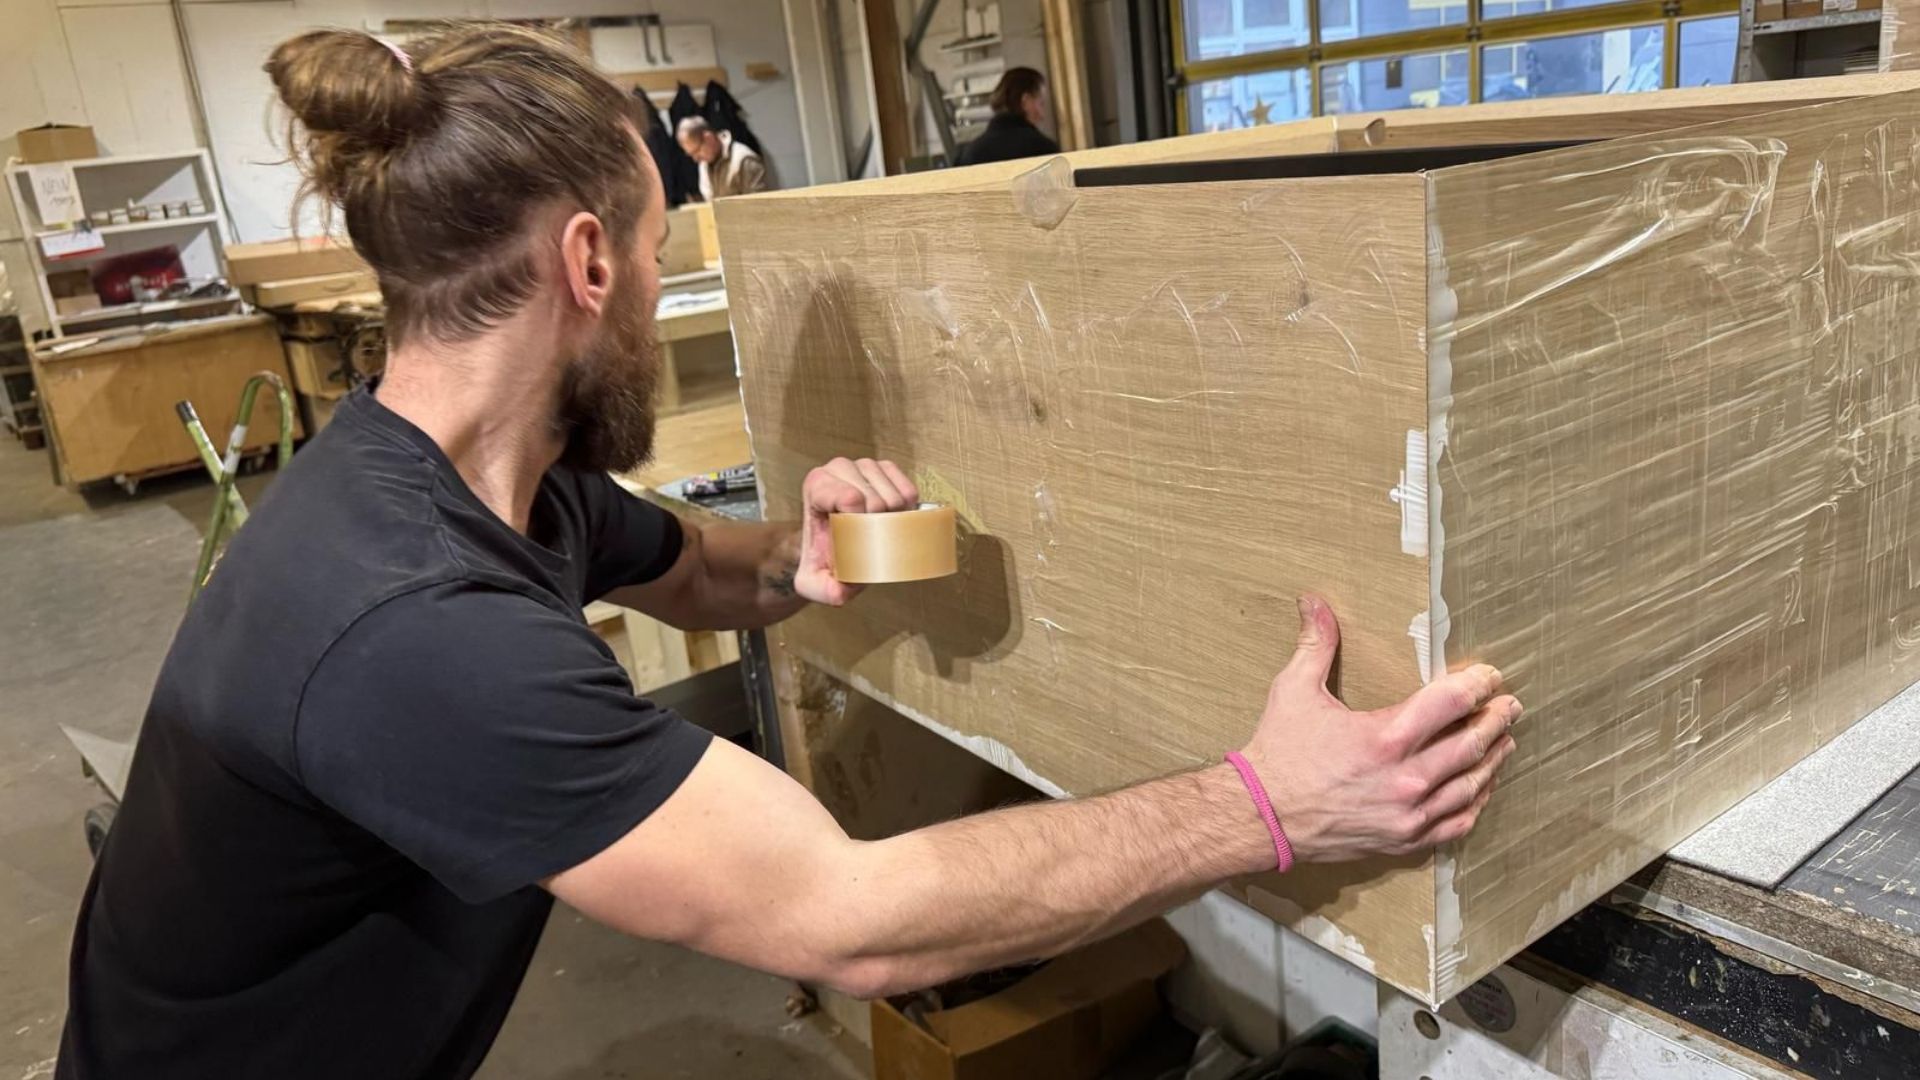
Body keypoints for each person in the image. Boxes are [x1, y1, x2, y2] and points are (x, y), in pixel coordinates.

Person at [55, 24, 1521, 1080]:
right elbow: (852, 922)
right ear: (585, 262)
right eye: (656, 253)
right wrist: (1272, 806)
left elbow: (700, 571)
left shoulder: (487, 486)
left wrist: (808, 559)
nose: (654, 289)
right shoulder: (414, 626)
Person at [957, 66, 1061, 167]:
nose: (1042, 115)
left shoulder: (968, 155)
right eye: (1041, 103)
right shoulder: (1043, 151)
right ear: (1026, 101)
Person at [676, 114, 768, 200]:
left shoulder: (744, 160)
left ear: (709, 138)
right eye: (691, 154)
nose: (696, 159)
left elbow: (759, 206)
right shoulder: (704, 164)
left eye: (697, 151)